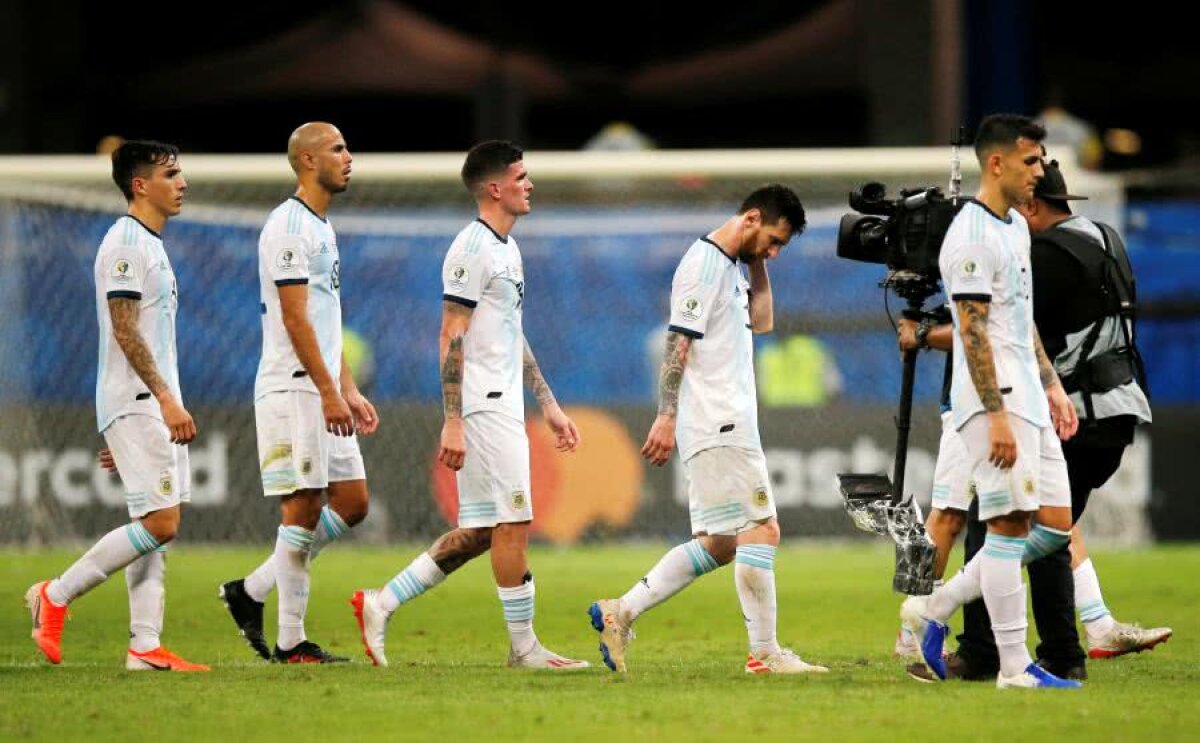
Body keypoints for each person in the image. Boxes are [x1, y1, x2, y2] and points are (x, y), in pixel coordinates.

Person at [350, 141, 588, 670]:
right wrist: (453, 421)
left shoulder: (509, 248)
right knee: (515, 521)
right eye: (521, 176)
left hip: (502, 403)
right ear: (494, 187)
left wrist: (547, 402)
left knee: (484, 530)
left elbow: (510, 332)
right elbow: (449, 335)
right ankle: (524, 648)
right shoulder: (470, 249)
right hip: (482, 408)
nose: (530, 184)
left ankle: (379, 603)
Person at [587, 184, 825, 675]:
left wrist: (758, 259)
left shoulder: (733, 267)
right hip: (720, 419)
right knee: (763, 528)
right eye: (774, 241)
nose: (776, 253)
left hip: (720, 419)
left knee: (721, 543)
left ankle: (621, 611)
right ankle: (764, 653)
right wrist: (666, 414)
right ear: (752, 218)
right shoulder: (702, 263)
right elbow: (678, 343)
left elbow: (762, 323)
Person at [946, 159, 1170, 678]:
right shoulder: (1104, 237)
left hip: (1079, 407)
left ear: (1033, 205)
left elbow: (1006, 328)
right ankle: (1083, 636)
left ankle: (991, 651)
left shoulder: (1046, 252)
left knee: (1007, 527)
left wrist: (933, 330)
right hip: (1120, 406)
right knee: (1053, 526)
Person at [899, 113, 1083, 689]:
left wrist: (1051, 384)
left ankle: (934, 607)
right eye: (1032, 161)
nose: (1042, 171)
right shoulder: (972, 235)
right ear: (996, 163)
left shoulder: (1015, 229)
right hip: (993, 400)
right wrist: (997, 412)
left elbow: (1018, 319)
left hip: (1028, 394)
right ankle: (1012, 667)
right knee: (1004, 525)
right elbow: (973, 331)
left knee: (1051, 526)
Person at [25, 140, 208, 671]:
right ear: (140, 185)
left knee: (151, 525)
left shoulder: (150, 244)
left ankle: (144, 647)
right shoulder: (127, 244)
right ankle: (54, 595)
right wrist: (164, 401)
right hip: (141, 398)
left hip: (141, 400)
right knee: (160, 522)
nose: (182, 183)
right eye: (171, 174)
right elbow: (125, 330)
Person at [219, 122, 379, 664]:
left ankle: (252, 591)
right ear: (308, 161)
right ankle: (291, 641)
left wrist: (348, 390)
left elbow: (324, 320)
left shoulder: (322, 228)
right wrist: (327, 391)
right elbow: (294, 318)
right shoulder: (289, 227)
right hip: (295, 387)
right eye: (338, 148)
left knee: (352, 502)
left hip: (322, 386)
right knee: (304, 504)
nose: (348, 156)